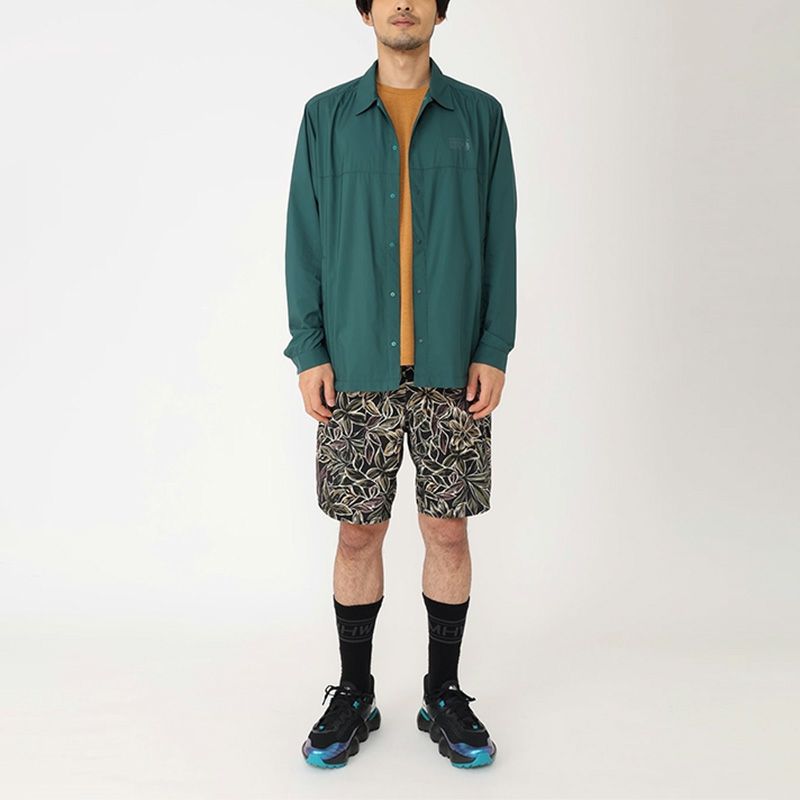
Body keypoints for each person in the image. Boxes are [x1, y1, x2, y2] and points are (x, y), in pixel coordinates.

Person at [283, 0, 517, 769]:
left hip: (453, 367)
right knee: (358, 531)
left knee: (448, 529)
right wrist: (310, 350)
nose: (404, 4)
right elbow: (304, 240)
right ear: (367, 11)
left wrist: (494, 346)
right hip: (356, 367)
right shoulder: (326, 119)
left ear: (440, 11)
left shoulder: (479, 117)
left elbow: (501, 238)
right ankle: (354, 692)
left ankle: (443, 693)